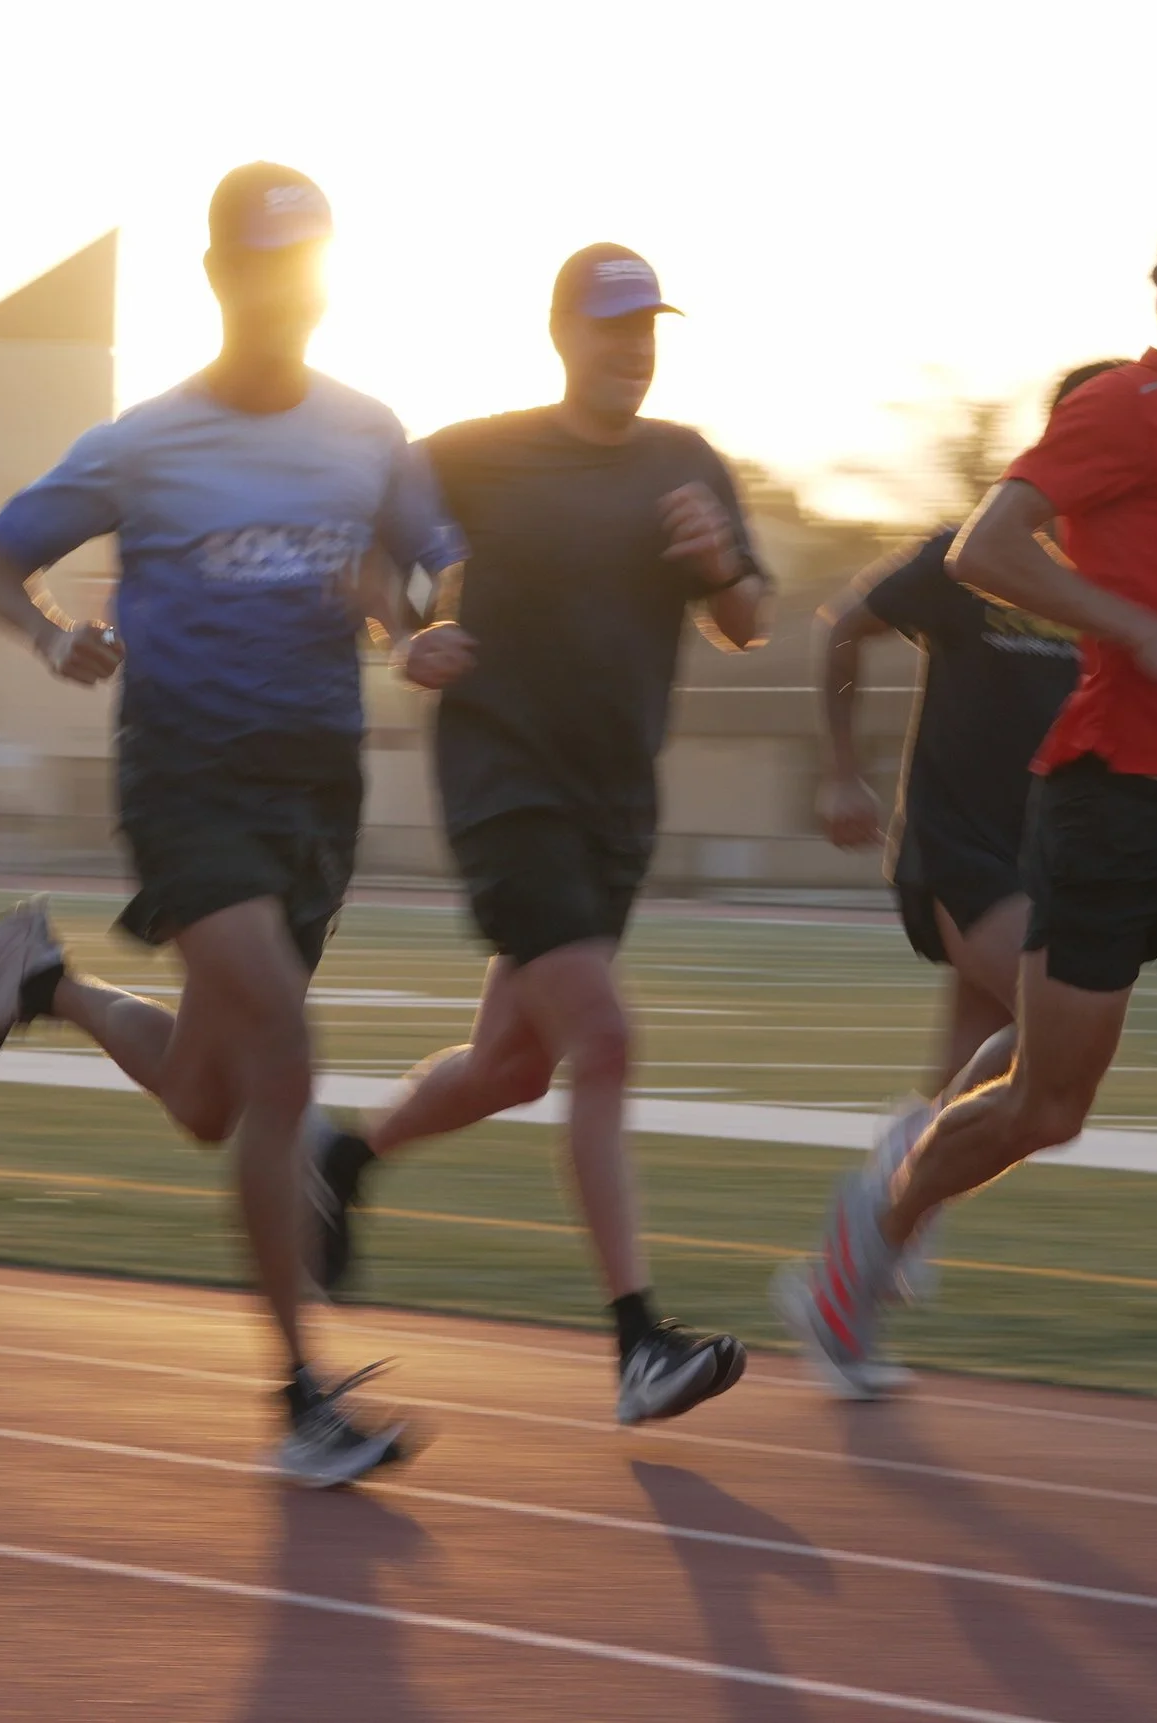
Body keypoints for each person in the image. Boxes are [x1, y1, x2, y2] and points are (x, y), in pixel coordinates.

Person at [775, 190, 1157, 1472]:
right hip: (1110, 805)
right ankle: (869, 1243)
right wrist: (1142, 632)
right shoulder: (1122, 407)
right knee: (1043, 1106)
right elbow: (984, 552)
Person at [0, 162, 464, 1487]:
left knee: (209, 1094)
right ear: (225, 277)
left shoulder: (369, 428)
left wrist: (419, 624)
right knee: (285, 1055)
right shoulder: (145, 441)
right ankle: (299, 1396)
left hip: (317, 792)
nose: (286, 291)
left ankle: (44, 978)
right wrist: (54, 635)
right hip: (188, 777)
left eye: (308, 265)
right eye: (264, 266)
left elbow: (432, 560)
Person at [307, 244, 769, 1427]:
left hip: (616, 804)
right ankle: (636, 1342)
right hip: (505, 787)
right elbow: (361, 548)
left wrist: (719, 569)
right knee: (604, 1043)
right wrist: (401, 639)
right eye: (610, 326)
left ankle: (342, 1160)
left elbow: (747, 618)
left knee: (516, 1066)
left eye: (646, 326)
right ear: (564, 335)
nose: (631, 345)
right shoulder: (475, 454)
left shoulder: (686, 460)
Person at [813, 360, 1120, 1240]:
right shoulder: (972, 553)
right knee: (1053, 1034)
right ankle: (877, 1228)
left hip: (1047, 858)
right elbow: (842, 626)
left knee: (965, 1081)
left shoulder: (1116, 582)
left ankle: (864, 1259)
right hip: (959, 848)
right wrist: (840, 768)